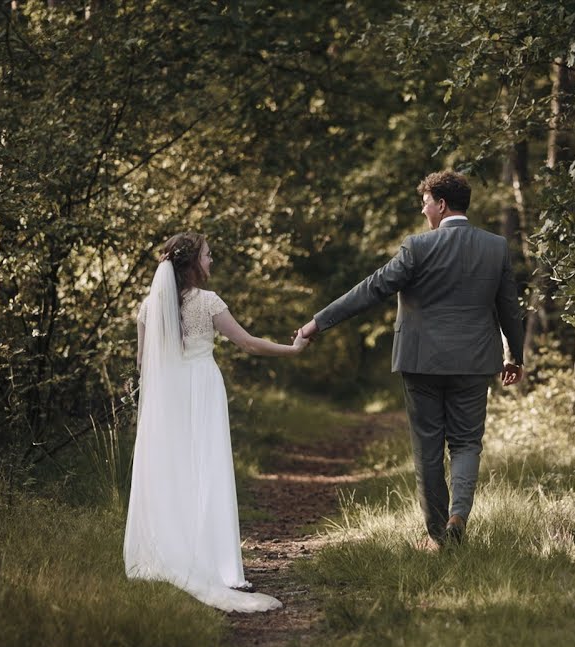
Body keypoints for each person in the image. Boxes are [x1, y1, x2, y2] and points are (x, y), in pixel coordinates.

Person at [297, 171, 524, 550]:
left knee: (428, 448)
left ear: (441, 204)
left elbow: (372, 289)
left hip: (422, 361)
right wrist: (514, 355)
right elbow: (509, 308)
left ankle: (438, 536)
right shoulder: (495, 247)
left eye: (425, 202)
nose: (423, 210)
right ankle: (458, 516)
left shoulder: (417, 248)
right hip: (474, 361)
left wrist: (317, 323)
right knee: (467, 443)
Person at [125, 232, 308, 612]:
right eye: (208, 256)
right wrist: (291, 350)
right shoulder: (207, 302)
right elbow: (248, 343)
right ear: (192, 263)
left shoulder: (148, 308)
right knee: (206, 469)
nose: (211, 262)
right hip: (203, 390)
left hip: (169, 397)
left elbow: (144, 363)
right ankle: (216, 562)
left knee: (173, 472)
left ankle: (172, 551)